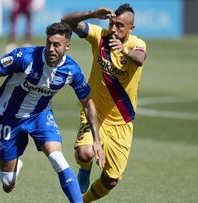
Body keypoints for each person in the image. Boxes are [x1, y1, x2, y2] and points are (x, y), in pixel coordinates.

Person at [0, 22, 105, 202]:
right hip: (10, 117)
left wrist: (96, 140)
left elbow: (88, 103)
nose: (51, 48)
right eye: (49, 43)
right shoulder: (24, 57)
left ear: (67, 46)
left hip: (40, 115)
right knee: (7, 184)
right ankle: (15, 166)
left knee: (57, 158)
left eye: (57, 45)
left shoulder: (71, 70)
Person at [62, 3, 147, 202]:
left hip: (121, 122)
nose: (115, 30)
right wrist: (91, 14)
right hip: (94, 112)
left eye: (120, 26)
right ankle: (85, 167)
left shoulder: (137, 44)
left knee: (111, 180)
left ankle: (84, 201)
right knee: (85, 153)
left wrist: (124, 51)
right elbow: (66, 22)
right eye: (113, 24)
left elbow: (140, 58)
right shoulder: (99, 36)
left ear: (131, 29)